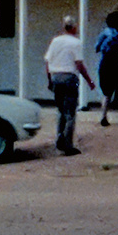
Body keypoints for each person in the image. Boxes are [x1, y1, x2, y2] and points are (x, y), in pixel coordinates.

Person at [44, 16, 96, 156]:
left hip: (56, 76)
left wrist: (49, 80)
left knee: (61, 110)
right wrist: (89, 81)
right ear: (73, 27)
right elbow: (79, 65)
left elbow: (48, 62)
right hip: (69, 77)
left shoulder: (55, 41)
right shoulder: (75, 43)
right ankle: (68, 144)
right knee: (70, 113)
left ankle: (59, 138)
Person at [93, 10, 118, 127]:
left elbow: (97, 48)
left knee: (106, 92)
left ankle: (103, 116)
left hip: (105, 61)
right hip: (115, 61)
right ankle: (115, 101)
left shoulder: (104, 32)